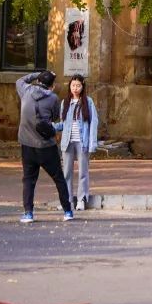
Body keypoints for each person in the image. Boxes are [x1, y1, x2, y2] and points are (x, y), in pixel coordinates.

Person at [16, 69, 74, 224]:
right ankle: (67, 211)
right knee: (58, 178)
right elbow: (54, 116)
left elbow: (19, 80)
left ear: (38, 81)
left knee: (28, 180)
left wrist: (37, 74)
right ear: (52, 85)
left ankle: (28, 213)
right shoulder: (53, 98)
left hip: (27, 145)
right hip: (46, 146)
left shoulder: (26, 90)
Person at [60, 75, 99, 211]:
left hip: (82, 142)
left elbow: (94, 123)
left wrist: (92, 143)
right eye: (73, 86)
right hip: (67, 142)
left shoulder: (88, 102)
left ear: (82, 87)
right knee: (66, 172)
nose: (75, 88)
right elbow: (63, 123)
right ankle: (68, 200)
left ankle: (82, 199)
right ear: (69, 86)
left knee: (83, 172)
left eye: (78, 86)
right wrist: (50, 126)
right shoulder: (65, 102)